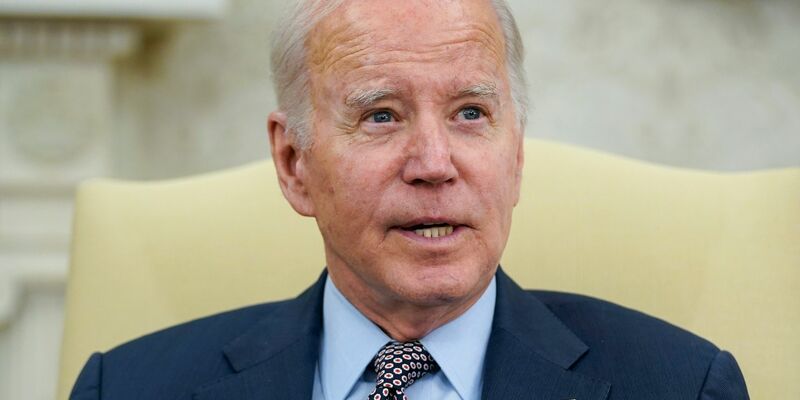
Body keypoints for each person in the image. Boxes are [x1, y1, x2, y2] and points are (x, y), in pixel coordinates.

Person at [70, 0, 749, 399]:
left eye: (471, 114)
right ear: (293, 163)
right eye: (382, 116)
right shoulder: (127, 389)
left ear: (515, 155)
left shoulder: (680, 386)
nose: (433, 165)